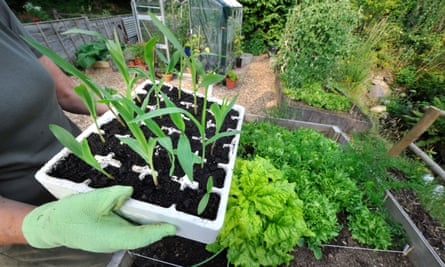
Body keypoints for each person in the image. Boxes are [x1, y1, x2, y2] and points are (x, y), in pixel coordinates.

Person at [0, 1, 176, 266]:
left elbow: (67, 92)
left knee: (123, 252)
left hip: (82, 165)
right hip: (29, 226)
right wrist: (45, 227)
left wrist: (127, 107)